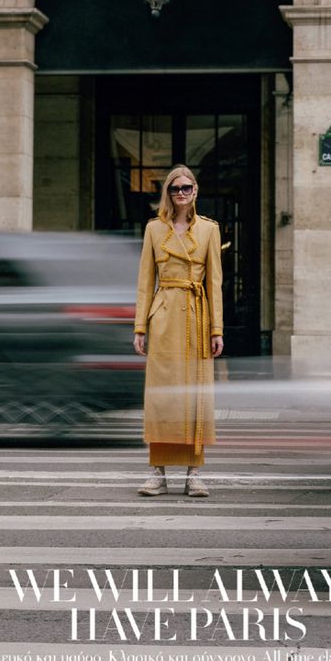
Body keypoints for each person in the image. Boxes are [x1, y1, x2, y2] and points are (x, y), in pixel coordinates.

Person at [133, 165, 224, 498]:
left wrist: (217, 329)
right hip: (164, 315)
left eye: (187, 187)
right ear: (167, 193)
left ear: (196, 190)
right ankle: (157, 472)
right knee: (162, 396)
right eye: (175, 188)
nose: (182, 193)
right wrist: (140, 326)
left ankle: (193, 473)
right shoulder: (155, 229)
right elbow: (145, 282)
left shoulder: (209, 230)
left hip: (197, 317)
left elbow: (215, 283)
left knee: (195, 395)